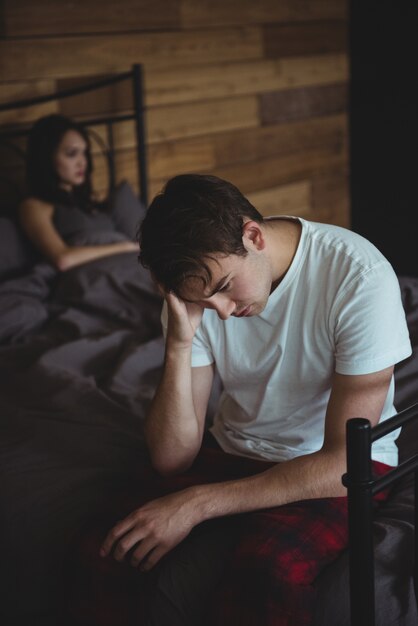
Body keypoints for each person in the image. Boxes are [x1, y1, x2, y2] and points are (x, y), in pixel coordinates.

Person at [98, 174, 412, 625]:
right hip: (237, 450)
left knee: (264, 575)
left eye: (226, 287)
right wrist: (179, 344)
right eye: (206, 302)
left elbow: (346, 463)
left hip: (331, 469)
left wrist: (197, 503)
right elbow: (172, 459)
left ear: (254, 235)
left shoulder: (357, 276)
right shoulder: (199, 293)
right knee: (108, 547)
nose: (223, 313)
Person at [19, 114, 138, 271]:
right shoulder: (34, 206)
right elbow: (63, 259)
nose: (82, 162)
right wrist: (126, 247)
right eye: (72, 154)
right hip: (93, 275)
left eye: (84, 153)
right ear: (47, 157)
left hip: (123, 266)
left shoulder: (90, 205)